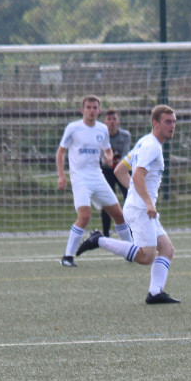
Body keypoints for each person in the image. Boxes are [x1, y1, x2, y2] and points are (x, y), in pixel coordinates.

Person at [76, 105, 180, 304]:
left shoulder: (144, 142)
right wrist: (148, 202)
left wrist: (134, 192)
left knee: (167, 249)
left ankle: (155, 293)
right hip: (142, 210)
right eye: (168, 121)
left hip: (139, 206)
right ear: (155, 123)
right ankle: (99, 240)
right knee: (146, 256)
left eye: (174, 121)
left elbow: (120, 171)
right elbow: (138, 174)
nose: (172, 126)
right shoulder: (152, 146)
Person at [56, 95, 131, 267]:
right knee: (84, 216)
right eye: (88, 107)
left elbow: (107, 150)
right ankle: (67, 256)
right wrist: (62, 175)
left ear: (99, 110)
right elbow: (61, 152)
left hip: (97, 176)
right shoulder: (73, 128)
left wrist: (108, 157)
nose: (92, 110)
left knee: (119, 215)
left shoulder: (102, 129)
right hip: (80, 178)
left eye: (95, 107)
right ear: (82, 110)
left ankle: (130, 251)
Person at [99, 108, 132, 237]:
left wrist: (116, 163)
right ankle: (106, 232)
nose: (112, 122)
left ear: (118, 120)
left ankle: (131, 230)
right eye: (109, 119)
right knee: (107, 201)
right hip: (106, 171)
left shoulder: (125, 136)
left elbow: (125, 155)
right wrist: (108, 160)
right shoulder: (101, 136)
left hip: (122, 170)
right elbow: (102, 158)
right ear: (104, 121)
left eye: (114, 119)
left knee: (129, 198)